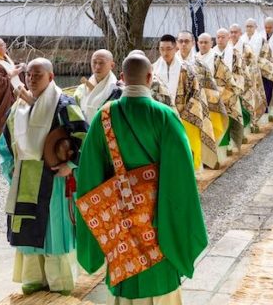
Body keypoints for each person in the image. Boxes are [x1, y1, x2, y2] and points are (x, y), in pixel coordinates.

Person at [76, 53, 208, 304]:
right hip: (158, 221)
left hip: (121, 223)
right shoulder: (164, 116)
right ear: (150, 78)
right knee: (162, 282)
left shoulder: (104, 117)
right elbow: (181, 176)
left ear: (122, 78)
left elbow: (89, 176)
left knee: (125, 284)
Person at [0, 58, 88, 295]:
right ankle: (33, 278)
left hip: (53, 178)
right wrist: (10, 166)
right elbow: (5, 141)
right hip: (25, 176)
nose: (32, 79)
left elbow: (84, 136)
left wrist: (71, 165)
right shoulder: (18, 107)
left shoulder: (64, 104)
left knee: (53, 231)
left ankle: (59, 282)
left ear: (51, 76)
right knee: (28, 229)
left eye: (38, 75)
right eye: (29, 75)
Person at [152, 34, 216, 172]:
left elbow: (196, 95)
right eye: (162, 49)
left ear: (175, 48)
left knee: (185, 148)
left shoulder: (187, 70)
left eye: (168, 49)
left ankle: (189, 173)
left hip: (185, 116)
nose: (165, 53)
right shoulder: (153, 70)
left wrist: (185, 114)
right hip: (160, 117)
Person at [177, 31, 229, 166]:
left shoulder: (201, 64)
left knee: (195, 138)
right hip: (173, 109)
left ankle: (197, 166)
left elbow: (211, 87)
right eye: (181, 41)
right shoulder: (169, 62)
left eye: (187, 41)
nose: (183, 44)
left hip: (197, 108)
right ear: (177, 43)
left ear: (192, 43)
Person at [0, 37, 28, 140]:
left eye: (4, 44)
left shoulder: (2, 56)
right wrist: (13, 74)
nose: (5, 47)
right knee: (9, 119)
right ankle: (7, 140)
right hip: (7, 95)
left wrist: (18, 67)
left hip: (16, 90)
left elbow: (7, 69)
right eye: (2, 45)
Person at [212, 28, 246, 151]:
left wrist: (232, 86)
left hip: (230, 89)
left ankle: (230, 141)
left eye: (223, 37)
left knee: (231, 116)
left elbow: (240, 72)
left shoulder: (235, 54)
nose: (220, 39)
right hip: (214, 90)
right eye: (218, 37)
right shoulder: (212, 53)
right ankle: (219, 143)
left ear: (228, 38)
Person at [230, 24, 266, 131]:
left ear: (240, 33)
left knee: (246, 104)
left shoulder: (246, 48)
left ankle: (247, 128)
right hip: (230, 81)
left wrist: (243, 77)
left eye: (235, 32)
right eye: (231, 32)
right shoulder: (228, 46)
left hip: (245, 81)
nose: (233, 34)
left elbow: (252, 66)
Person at [73, 49, 121, 124]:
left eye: (101, 63)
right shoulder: (81, 89)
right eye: (94, 62)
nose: (97, 67)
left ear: (112, 65)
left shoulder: (117, 90)